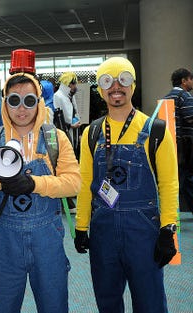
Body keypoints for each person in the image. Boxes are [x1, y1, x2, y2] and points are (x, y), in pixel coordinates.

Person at [0, 71, 81, 313]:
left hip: (47, 238)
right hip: (4, 240)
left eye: (29, 100)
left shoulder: (55, 138)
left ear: (39, 102)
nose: (21, 109)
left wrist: (35, 184)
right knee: (3, 306)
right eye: (13, 100)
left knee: (54, 306)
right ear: (4, 103)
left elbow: (73, 183)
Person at [74, 57, 179, 313]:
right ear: (101, 89)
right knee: (107, 300)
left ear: (132, 84)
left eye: (123, 80)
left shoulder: (155, 130)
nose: (116, 88)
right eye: (108, 82)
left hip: (143, 232)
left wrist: (168, 230)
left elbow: (168, 183)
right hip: (103, 231)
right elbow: (86, 182)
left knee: (150, 302)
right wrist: (81, 226)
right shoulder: (92, 133)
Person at [163, 68, 193, 214]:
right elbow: (190, 117)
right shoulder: (184, 95)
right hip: (186, 143)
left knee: (179, 176)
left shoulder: (168, 96)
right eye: (190, 79)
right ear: (184, 81)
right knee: (186, 176)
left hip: (172, 141)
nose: (191, 82)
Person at [54, 71, 81, 155]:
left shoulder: (70, 96)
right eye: (74, 84)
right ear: (69, 84)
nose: (75, 86)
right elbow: (57, 118)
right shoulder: (58, 96)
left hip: (74, 131)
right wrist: (70, 126)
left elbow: (75, 112)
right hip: (65, 133)